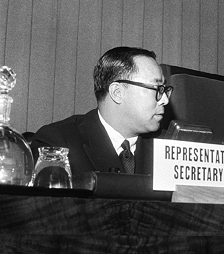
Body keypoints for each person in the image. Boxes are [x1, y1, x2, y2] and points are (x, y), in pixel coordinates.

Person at [31, 46, 173, 178]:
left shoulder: (171, 144)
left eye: (165, 89)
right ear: (117, 92)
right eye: (157, 89)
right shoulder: (57, 143)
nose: (165, 100)